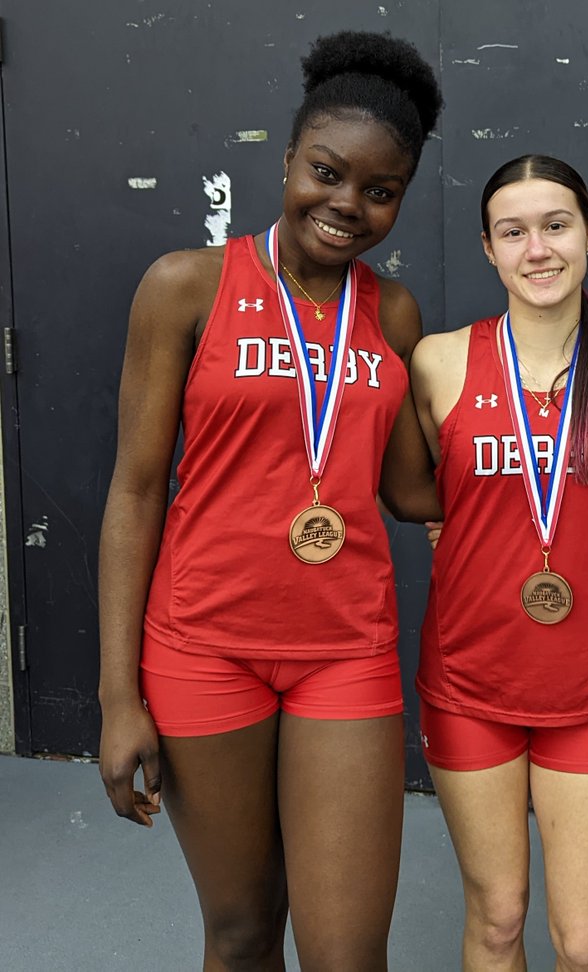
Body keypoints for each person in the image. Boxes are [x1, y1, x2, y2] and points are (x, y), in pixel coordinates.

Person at [97, 31, 442, 970]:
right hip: (204, 647)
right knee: (244, 932)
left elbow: (413, 489)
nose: (348, 206)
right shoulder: (186, 289)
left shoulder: (395, 313)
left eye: (380, 192)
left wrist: (557, 444)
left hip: (344, 649)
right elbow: (134, 494)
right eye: (327, 173)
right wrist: (116, 695)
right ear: (286, 158)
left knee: (345, 953)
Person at [409, 155, 588, 972]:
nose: (537, 249)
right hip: (470, 681)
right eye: (513, 232)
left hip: (587, 685)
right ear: (488, 249)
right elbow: (428, 505)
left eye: (555, 226)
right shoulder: (440, 362)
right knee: (498, 919)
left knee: (585, 942)